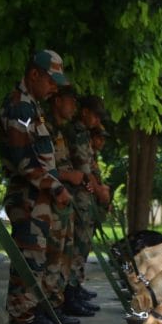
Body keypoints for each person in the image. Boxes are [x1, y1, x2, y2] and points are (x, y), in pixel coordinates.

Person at [0, 50, 77, 324]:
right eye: (50, 80)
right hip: (29, 200)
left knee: (39, 266)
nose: (54, 88)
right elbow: (21, 161)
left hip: (40, 201)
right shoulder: (19, 106)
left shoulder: (33, 108)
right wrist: (55, 186)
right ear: (34, 74)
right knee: (27, 269)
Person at [45, 86, 96, 318]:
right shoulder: (46, 127)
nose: (73, 106)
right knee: (52, 255)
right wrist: (68, 176)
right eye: (69, 101)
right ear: (57, 101)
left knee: (65, 252)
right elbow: (39, 167)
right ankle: (48, 306)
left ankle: (61, 299)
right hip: (50, 198)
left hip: (64, 198)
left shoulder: (60, 130)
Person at [66, 94, 111, 301]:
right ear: (85, 112)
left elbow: (91, 169)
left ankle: (76, 286)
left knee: (83, 245)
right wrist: (100, 191)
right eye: (95, 116)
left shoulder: (84, 133)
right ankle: (70, 291)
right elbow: (84, 170)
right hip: (78, 197)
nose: (97, 121)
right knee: (77, 245)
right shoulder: (77, 132)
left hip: (86, 197)